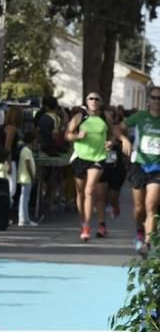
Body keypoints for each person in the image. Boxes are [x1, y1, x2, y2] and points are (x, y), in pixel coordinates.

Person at [66, 93, 114, 242]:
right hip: (80, 158)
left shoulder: (106, 117)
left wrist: (111, 142)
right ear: (86, 102)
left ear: (101, 102)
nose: (93, 101)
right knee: (80, 193)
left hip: (98, 158)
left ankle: (87, 227)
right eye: (90, 99)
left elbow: (112, 134)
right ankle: (83, 222)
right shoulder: (79, 117)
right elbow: (67, 134)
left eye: (96, 99)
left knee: (89, 190)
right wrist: (77, 136)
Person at [119, 87, 160, 253]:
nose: (157, 101)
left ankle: (147, 243)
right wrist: (124, 140)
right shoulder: (139, 117)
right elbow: (117, 128)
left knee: (151, 206)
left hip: (157, 168)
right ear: (148, 100)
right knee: (139, 208)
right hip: (139, 165)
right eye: (154, 98)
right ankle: (139, 231)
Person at [17, 130, 38, 226]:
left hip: (26, 177)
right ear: (32, 140)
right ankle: (24, 219)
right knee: (25, 198)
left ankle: (24, 218)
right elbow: (28, 164)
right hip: (26, 177)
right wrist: (32, 176)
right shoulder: (26, 150)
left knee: (25, 198)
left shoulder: (27, 150)